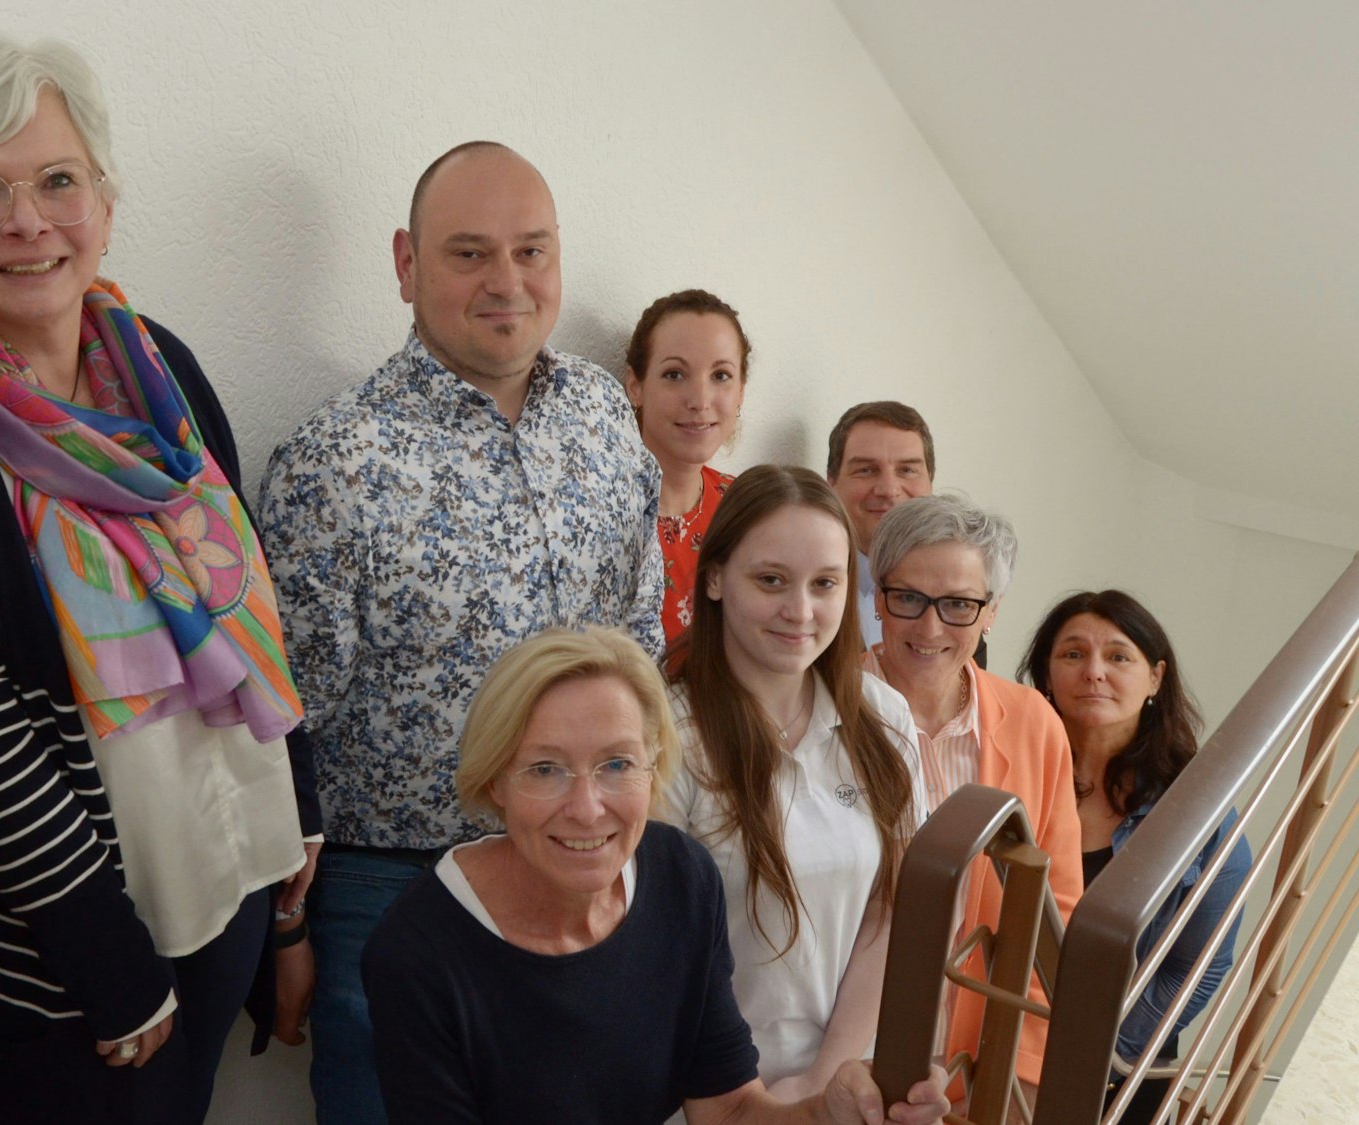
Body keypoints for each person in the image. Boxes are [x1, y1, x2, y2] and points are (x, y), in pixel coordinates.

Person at [0, 35, 315, 1125]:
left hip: (229, 868)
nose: (28, 221)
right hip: (71, 958)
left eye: (57, 180)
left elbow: (249, 599)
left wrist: (302, 804)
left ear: (103, 195)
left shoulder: (162, 370)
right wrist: (105, 957)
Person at [257, 140, 665, 1123]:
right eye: (468, 253)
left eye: (531, 251)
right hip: (401, 899)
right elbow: (280, 729)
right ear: (405, 264)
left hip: (588, 872)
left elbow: (637, 629)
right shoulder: (333, 460)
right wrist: (280, 931)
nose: (506, 283)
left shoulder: (605, 416)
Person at [362, 627, 950, 1125]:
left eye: (617, 764)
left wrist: (831, 1110)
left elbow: (731, 1110)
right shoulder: (418, 952)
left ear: (654, 769)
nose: (588, 808)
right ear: (495, 781)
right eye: (545, 769)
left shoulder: (680, 877)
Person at [658, 465, 926, 1099]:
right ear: (717, 577)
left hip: (846, 1086)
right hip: (706, 1096)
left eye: (825, 584)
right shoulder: (667, 732)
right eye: (771, 580)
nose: (800, 611)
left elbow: (892, 914)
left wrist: (824, 1076)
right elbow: (659, 958)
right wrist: (750, 1102)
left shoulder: (883, 718)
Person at [861, 495, 1084, 1097]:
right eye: (908, 598)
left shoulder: (1034, 722)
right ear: (878, 598)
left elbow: (1054, 905)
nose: (930, 628)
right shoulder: (824, 708)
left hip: (974, 1056)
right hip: (845, 1046)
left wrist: (1024, 1073)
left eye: (958, 605)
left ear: (991, 613)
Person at [1022, 591, 1252, 1121]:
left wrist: (1095, 1052)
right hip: (999, 1038)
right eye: (1073, 654)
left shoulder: (1199, 813)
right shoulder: (1013, 774)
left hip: (1119, 1073)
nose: (1094, 672)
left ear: (1155, 678)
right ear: (1046, 675)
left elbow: (1199, 966)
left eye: (1119, 656)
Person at [623, 288, 748, 647]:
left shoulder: (745, 508)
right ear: (636, 387)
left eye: (721, 376)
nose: (700, 401)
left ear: (741, 392)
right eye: (675, 374)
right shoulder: (596, 510)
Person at [825, 401, 935, 651]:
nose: (889, 490)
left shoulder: (958, 595)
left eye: (907, 470)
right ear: (831, 483)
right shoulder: (807, 591)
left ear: (930, 484)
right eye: (866, 470)